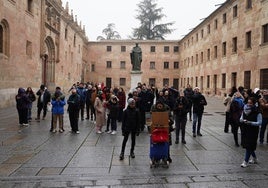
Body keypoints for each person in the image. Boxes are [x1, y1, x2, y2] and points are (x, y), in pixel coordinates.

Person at [240, 97, 262, 168]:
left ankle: (245, 162)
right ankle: (255, 159)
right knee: (249, 145)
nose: (249, 104)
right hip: (245, 129)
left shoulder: (257, 111)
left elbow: (259, 122)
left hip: (253, 131)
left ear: (254, 104)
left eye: (251, 103)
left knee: (249, 146)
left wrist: (250, 123)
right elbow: (241, 118)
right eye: (248, 103)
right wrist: (242, 120)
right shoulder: (244, 110)